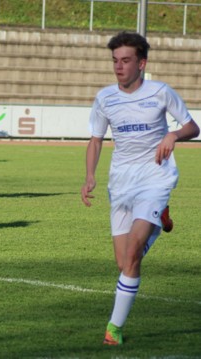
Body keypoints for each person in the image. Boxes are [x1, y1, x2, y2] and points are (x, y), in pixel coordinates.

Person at [80, 31, 199, 345]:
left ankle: (113, 330)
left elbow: (192, 126)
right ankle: (158, 222)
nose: (119, 67)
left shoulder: (160, 92)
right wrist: (90, 175)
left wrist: (173, 136)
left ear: (142, 63)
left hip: (154, 179)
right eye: (115, 61)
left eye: (126, 60)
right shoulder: (105, 98)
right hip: (120, 184)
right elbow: (95, 140)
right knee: (124, 265)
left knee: (132, 258)